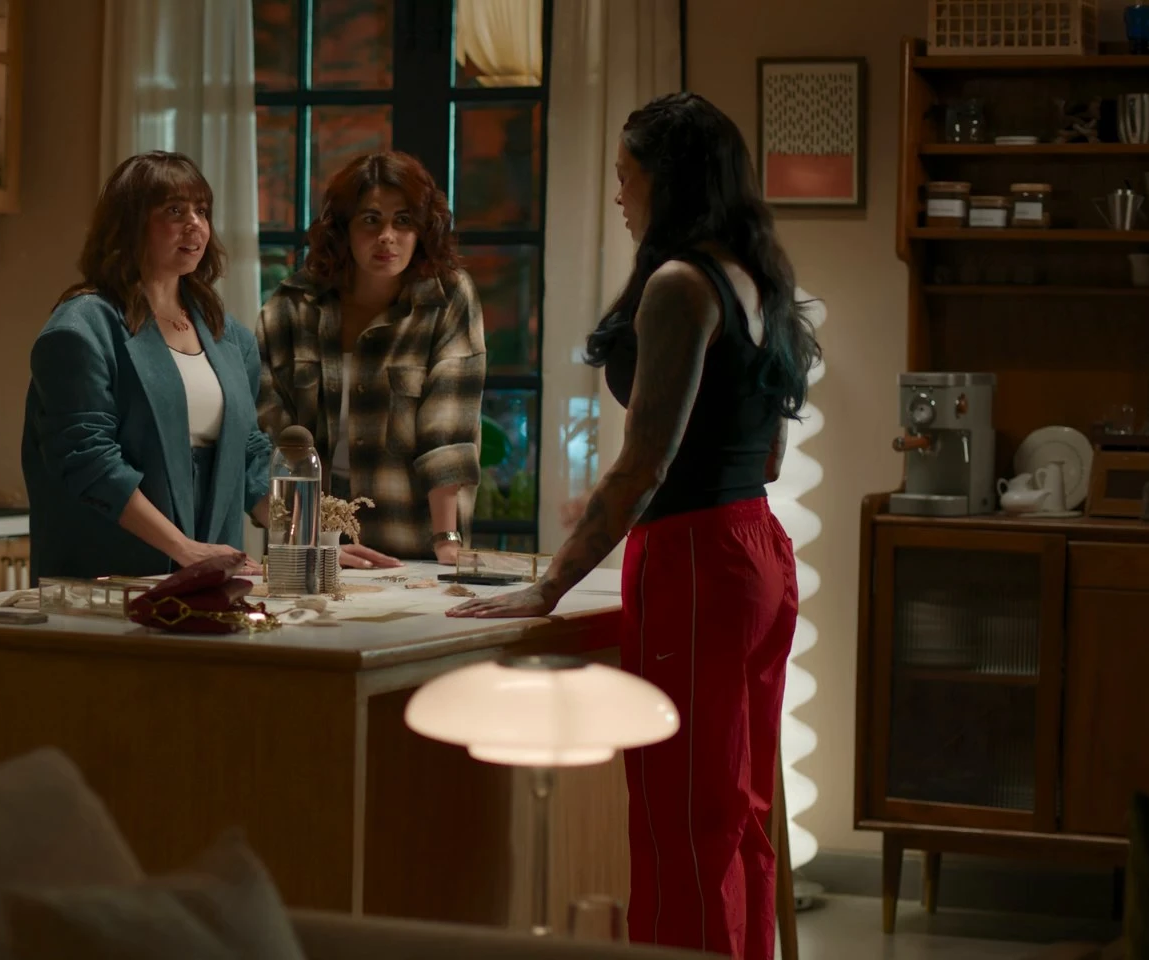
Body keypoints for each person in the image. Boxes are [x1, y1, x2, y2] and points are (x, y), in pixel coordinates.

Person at [448, 93, 819, 960]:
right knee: (739, 816)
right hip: (757, 550)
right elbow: (766, 459)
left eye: (627, 174)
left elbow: (645, 463)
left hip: (696, 559)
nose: (619, 193)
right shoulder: (755, 279)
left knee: (681, 823)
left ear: (668, 180)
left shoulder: (680, 285)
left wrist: (548, 584)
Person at [22, 152, 271, 580]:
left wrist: (313, 540)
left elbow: (248, 457)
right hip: (110, 580)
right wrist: (185, 549)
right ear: (131, 224)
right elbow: (90, 461)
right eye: (174, 211)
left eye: (201, 211)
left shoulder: (229, 336)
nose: (195, 224)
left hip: (213, 581)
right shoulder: (81, 328)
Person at [256, 151, 486, 568]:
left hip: (413, 533)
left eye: (403, 220)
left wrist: (447, 540)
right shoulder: (290, 308)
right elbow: (272, 437)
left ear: (422, 229)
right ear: (343, 227)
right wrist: (309, 539)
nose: (387, 236)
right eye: (370, 219)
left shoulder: (447, 298)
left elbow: (448, 430)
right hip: (311, 538)